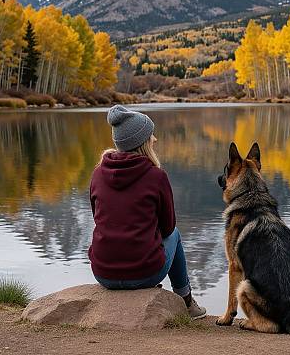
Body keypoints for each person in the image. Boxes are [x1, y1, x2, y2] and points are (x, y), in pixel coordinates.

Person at [88, 105, 206, 319]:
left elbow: (97, 216)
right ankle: (186, 301)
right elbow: (168, 226)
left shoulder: (97, 174)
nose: (155, 139)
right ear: (142, 142)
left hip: (103, 274)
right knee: (176, 234)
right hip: (145, 274)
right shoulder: (156, 176)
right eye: (151, 135)